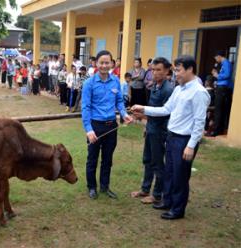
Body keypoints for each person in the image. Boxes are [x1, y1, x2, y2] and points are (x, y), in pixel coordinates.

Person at [131, 55, 210, 220]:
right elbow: (166, 109)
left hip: (185, 140)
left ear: (190, 69)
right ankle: (167, 201)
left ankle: (177, 209)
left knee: (180, 176)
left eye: (179, 70)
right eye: (175, 70)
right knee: (169, 172)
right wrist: (143, 109)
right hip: (172, 136)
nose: (176, 74)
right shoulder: (179, 89)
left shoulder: (199, 92)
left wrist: (191, 145)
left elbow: (199, 122)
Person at [81, 50, 133, 199]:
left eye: (107, 62)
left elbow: (119, 102)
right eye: (101, 62)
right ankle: (92, 187)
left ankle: (105, 186)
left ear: (112, 64)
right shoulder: (89, 84)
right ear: (96, 64)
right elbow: (86, 107)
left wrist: (124, 114)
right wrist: (89, 130)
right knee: (92, 159)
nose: (104, 65)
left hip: (111, 126)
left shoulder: (116, 80)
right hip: (95, 126)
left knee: (107, 159)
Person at [130, 57, 174, 204]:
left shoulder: (168, 89)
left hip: (160, 132)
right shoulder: (155, 85)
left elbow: (166, 113)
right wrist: (145, 121)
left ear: (167, 71)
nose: (155, 73)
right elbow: (154, 110)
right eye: (153, 70)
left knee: (157, 163)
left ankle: (157, 194)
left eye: (158, 70)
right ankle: (145, 189)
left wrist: (146, 115)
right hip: (151, 129)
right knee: (147, 160)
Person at [210, 50, 233, 137]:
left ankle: (216, 130)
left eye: (216, 57)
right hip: (222, 87)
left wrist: (217, 75)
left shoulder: (226, 63)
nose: (216, 59)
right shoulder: (223, 64)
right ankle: (219, 129)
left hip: (223, 87)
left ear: (219, 56)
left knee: (219, 109)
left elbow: (227, 74)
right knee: (221, 109)